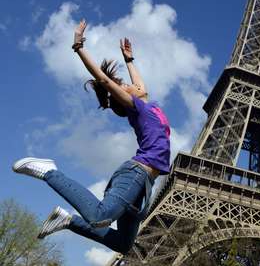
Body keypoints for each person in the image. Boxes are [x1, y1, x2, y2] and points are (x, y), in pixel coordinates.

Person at [12, 20, 171, 254]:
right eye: (126, 86)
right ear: (125, 97)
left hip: (145, 184)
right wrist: (78, 46)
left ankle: (68, 221)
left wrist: (129, 60)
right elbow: (104, 80)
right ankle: (49, 172)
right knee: (99, 216)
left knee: (124, 244)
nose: (131, 84)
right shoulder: (137, 108)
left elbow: (140, 86)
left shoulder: (150, 105)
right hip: (136, 173)